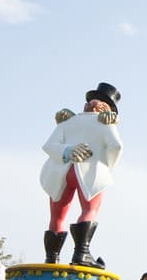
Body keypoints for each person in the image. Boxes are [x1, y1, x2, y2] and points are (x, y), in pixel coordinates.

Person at [40, 82, 123, 269]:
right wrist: (107, 167)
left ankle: (51, 257)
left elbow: (48, 145)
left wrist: (67, 151)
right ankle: (81, 252)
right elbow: (116, 147)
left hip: (60, 170)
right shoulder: (104, 122)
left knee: (56, 216)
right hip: (91, 170)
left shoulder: (69, 120)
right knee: (89, 209)